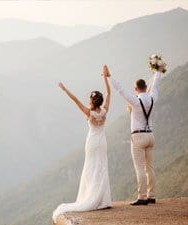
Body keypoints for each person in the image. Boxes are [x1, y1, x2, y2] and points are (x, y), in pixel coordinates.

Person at [52, 65, 112, 223]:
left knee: (91, 167)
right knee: (101, 166)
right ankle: (103, 200)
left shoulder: (89, 113)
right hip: (102, 142)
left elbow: (75, 100)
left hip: (92, 143)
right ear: (100, 101)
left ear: (92, 101)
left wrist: (64, 89)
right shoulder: (104, 111)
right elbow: (109, 93)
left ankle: (90, 197)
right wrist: (105, 77)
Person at [109, 64, 165, 205]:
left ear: (136, 89)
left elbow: (120, 89)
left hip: (138, 137)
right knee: (149, 167)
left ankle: (142, 197)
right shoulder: (152, 98)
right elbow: (156, 84)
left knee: (140, 168)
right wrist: (158, 71)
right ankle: (151, 195)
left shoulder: (135, 100)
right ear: (146, 87)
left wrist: (109, 76)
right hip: (150, 136)